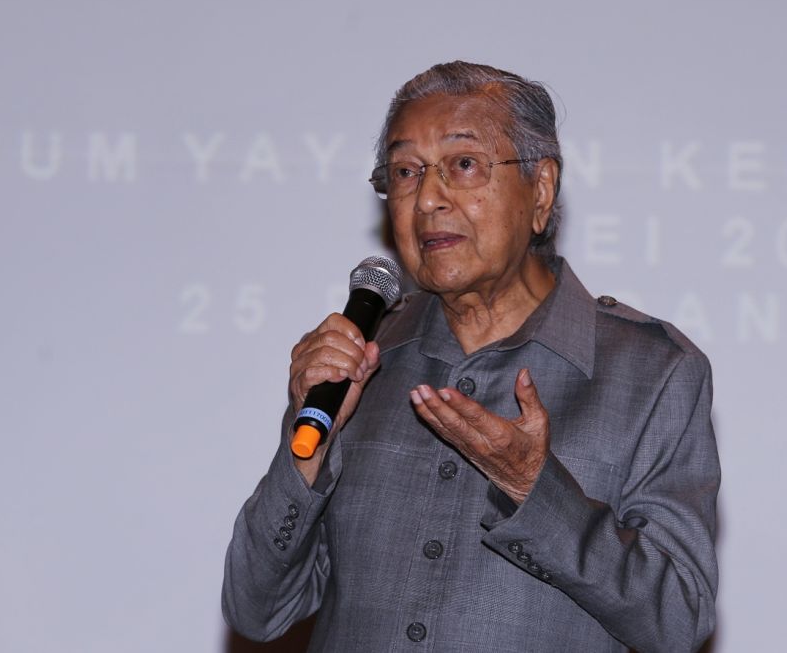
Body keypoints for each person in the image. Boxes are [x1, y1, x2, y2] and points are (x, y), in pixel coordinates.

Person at [222, 61, 720, 652]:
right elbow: (257, 610)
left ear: (540, 189)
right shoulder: (361, 363)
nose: (428, 198)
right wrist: (308, 446)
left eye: (463, 165)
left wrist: (537, 490)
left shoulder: (652, 373)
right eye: (405, 172)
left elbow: (678, 623)